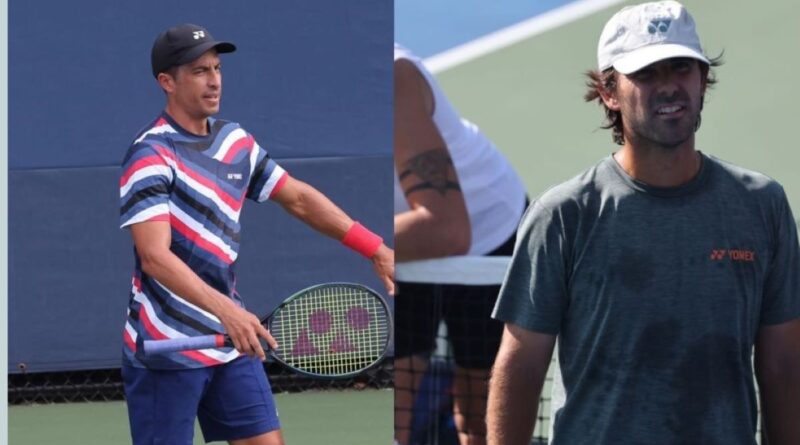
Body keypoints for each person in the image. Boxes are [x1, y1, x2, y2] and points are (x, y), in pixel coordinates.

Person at [488, 2, 800, 444]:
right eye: (648, 74)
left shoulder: (762, 205)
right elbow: (521, 366)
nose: (669, 86)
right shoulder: (562, 214)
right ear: (610, 92)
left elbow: (784, 363)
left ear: (702, 81)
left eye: (681, 69)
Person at [119, 24, 394, 445]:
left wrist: (373, 248)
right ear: (167, 82)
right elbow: (155, 257)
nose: (213, 81)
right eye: (198, 71)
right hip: (168, 349)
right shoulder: (150, 155)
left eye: (216, 68)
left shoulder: (235, 141)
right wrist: (226, 311)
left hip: (232, 345)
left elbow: (298, 198)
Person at [393, 44, 527, 445]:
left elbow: (447, 229)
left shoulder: (393, 77)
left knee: (481, 414)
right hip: (402, 250)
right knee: (396, 401)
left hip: (488, 241)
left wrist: (345, 239)